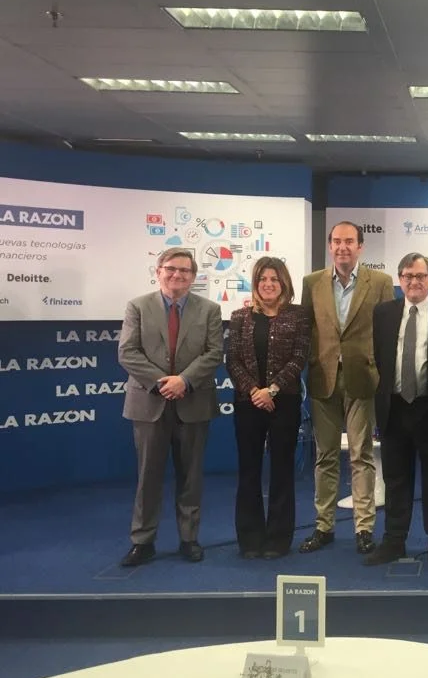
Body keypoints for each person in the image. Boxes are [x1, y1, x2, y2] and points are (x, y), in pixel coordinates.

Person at [117, 248, 223, 566]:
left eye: (185, 271)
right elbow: (127, 352)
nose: (177, 275)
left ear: (193, 277)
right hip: (149, 403)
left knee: (191, 477)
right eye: (171, 269)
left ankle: (189, 539)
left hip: (194, 402)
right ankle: (143, 541)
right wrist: (163, 382)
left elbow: (214, 353)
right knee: (148, 477)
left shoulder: (210, 310)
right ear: (158, 271)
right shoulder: (138, 306)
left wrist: (184, 381)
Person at [365, 253, 428, 571]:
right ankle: (394, 541)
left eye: (421, 276)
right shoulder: (383, 313)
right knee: (395, 479)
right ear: (399, 279)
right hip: (395, 408)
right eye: (408, 276)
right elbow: (380, 358)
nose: (414, 282)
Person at [299, 221, 395, 555]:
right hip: (322, 377)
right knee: (325, 456)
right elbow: (306, 328)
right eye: (337, 241)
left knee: (361, 455)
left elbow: (387, 331)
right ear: (330, 246)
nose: (343, 247)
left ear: (360, 246)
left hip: (363, 378)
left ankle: (364, 528)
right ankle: (323, 526)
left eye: (349, 241)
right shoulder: (311, 282)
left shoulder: (380, 282)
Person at [226, 257, 311, 560]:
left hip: (283, 402)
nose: (268, 284)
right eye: (263, 279)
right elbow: (232, 360)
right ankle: (250, 538)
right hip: (248, 402)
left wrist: (272, 390)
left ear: (284, 283)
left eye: (274, 279)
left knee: (282, 470)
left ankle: (278, 538)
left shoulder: (299, 316)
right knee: (249, 470)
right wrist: (254, 391)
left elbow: (299, 357)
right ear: (256, 283)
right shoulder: (240, 317)